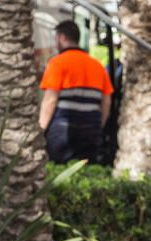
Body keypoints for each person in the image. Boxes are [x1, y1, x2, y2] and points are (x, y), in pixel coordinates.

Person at [39, 21, 114, 164]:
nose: (55, 44)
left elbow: (50, 100)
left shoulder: (57, 63)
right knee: (85, 171)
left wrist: (41, 129)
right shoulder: (97, 65)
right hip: (91, 129)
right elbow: (107, 101)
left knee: (59, 172)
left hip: (63, 129)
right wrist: (99, 125)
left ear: (62, 38)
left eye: (55, 39)